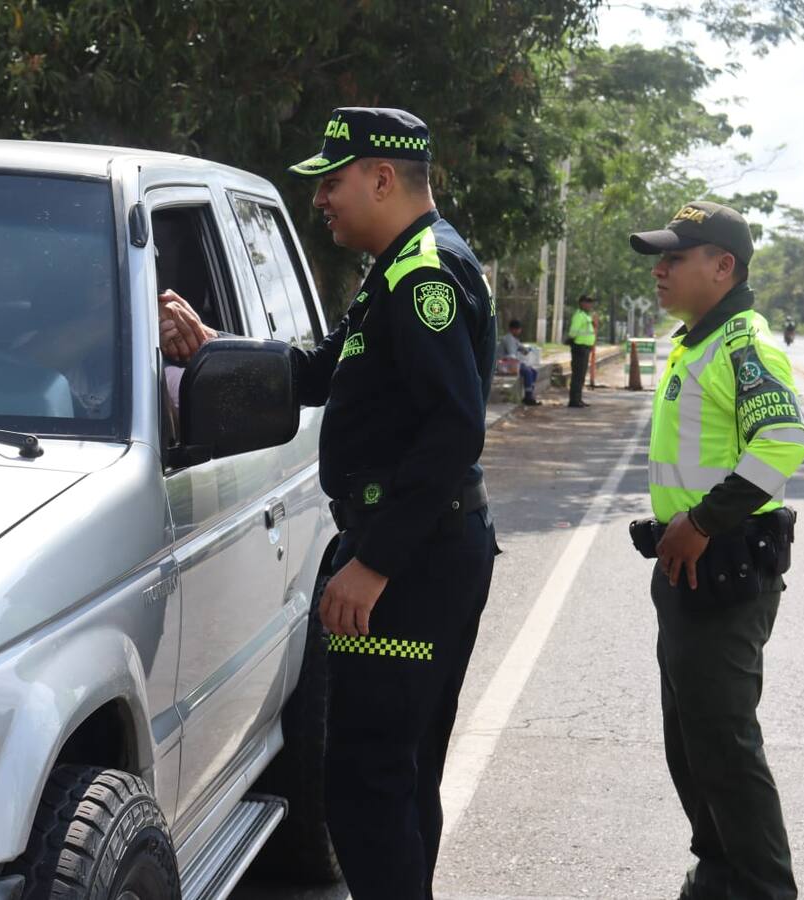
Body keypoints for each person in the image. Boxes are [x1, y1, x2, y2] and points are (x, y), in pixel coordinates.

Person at [286, 106, 497, 900]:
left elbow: (452, 430)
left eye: (332, 182)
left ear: (381, 177)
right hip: (428, 551)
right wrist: (212, 349)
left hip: (410, 566)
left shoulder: (424, 276)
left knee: (367, 785)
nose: (321, 200)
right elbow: (321, 368)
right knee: (399, 782)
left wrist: (371, 564)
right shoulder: (401, 267)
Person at [628, 200, 804, 900]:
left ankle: (762, 889)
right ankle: (719, 872)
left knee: (724, 747)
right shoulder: (698, 341)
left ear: (722, 266)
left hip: (724, 569)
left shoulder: (742, 343)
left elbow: (783, 442)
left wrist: (702, 522)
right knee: (691, 742)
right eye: (660, 258)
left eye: (676, 257)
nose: (661, 270)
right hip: (687, 569)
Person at [498, 318, 541, 405]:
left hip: (511, 363)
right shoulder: (508, 339)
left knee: (534, 371)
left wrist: (527, 349)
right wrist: (521, 363)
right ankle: (528, 397)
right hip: (504, 364)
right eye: (518, 329)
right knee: (527, 371)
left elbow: (522, 349)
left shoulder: (514, 339)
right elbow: (511, 356)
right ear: (513, 329)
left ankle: (530, 394)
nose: (519, 331)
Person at [566, 294, 596, 407]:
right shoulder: (579, 316)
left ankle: (578, 399)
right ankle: (573, 400)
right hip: (579, 348)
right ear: (582, 303)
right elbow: (573, 331)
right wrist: (571, 340)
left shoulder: (586, 316)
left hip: (585, 348)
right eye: (588, 302)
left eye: (591, 302)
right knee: (577, 375)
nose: (590, 305)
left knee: (581, 376)